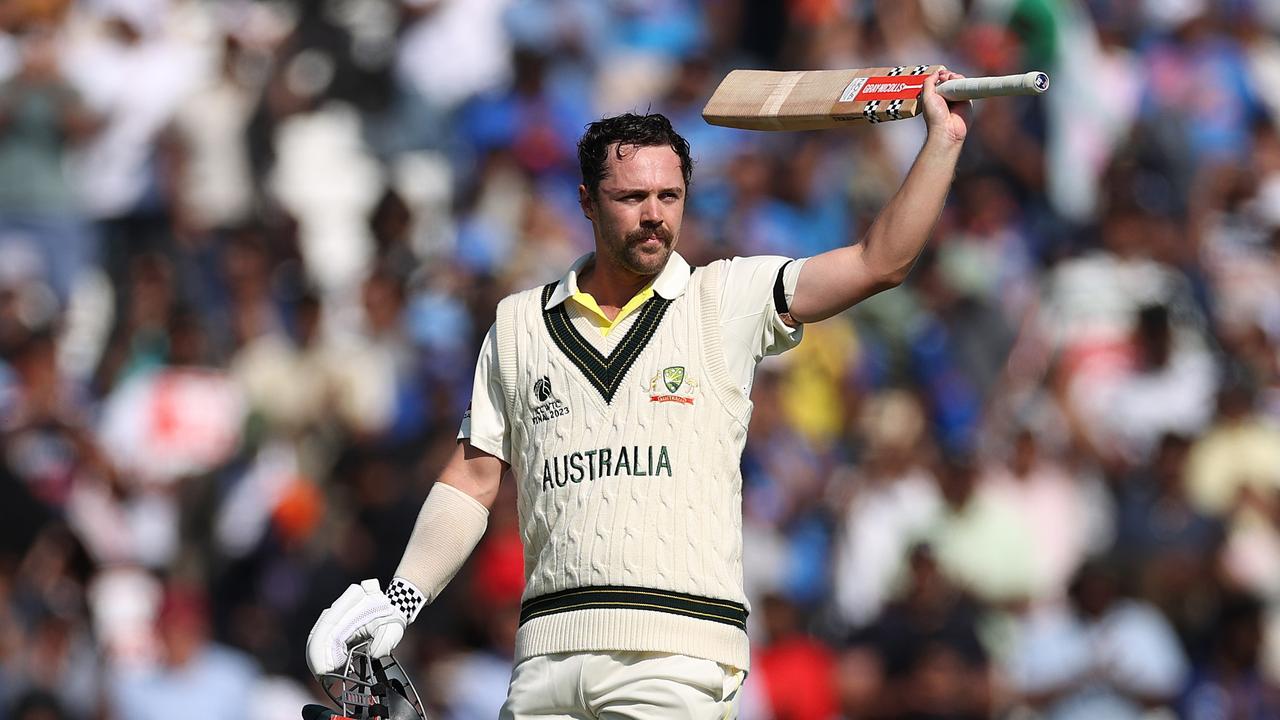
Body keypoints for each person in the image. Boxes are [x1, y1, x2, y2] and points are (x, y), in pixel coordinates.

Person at [306, 69, 971, 717]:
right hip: (545, 659)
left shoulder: (724, 299)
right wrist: (401, 600)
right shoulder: (518, 324)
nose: (654, 216)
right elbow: (474, 479)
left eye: (669, 197)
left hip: (675, 658)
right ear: (588, 202)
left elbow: (878, 261)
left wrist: (941, 143)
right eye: (631, 198)